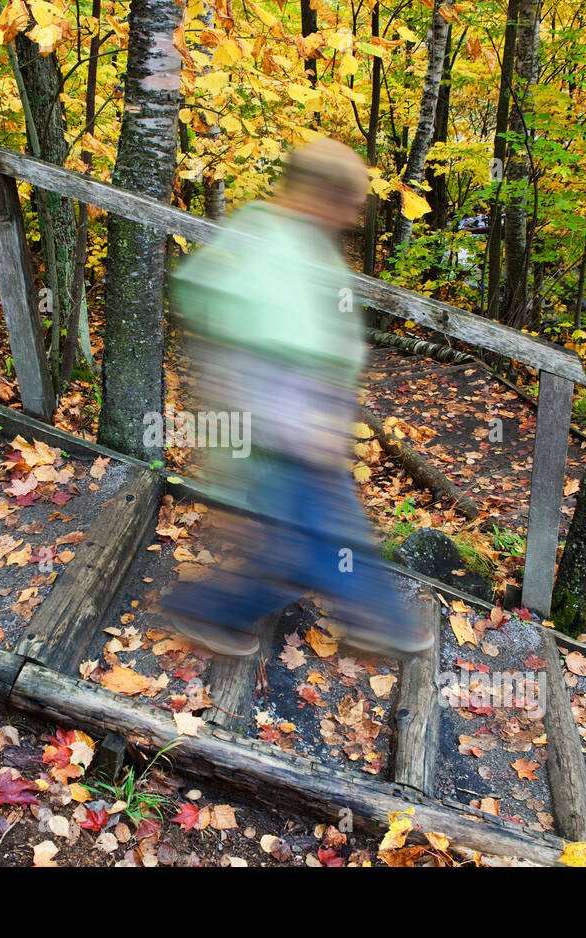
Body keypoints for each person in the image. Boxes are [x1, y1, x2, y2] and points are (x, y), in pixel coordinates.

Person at [159, 137, 435, 658]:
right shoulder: (265, 239)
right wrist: (290, 422)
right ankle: (378, 622)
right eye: (348, 205)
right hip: (279, 431)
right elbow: (234, 337)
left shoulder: (303, 241)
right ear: (320, 193)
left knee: (305, 537)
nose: (351, 220)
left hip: (303, 425)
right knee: (315, 536)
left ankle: (218, 613)